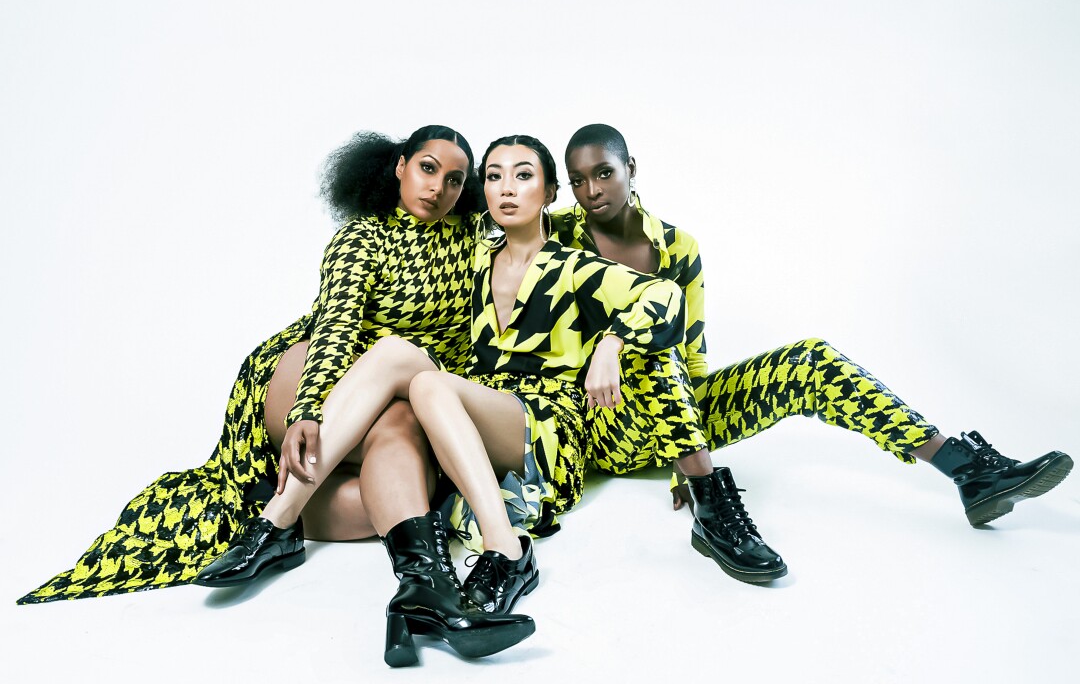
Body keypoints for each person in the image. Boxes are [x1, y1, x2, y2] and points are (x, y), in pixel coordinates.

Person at [551, 123, 1074, 581]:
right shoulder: (561, 239)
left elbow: (691, 357)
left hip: (668, 418)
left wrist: (678, 456)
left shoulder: (677, 246)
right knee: (651, 343)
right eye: (577, 181)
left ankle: (965, 469)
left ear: (630, 168)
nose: (591, 190)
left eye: (602, 173)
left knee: (810, 359)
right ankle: (713, 515)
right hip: (602, 426)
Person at [20, 125, 480, 604]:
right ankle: (288, 525)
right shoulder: (361, 237)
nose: (438, 187)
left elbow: (535, 220)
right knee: (390, 412)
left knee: (394, 497)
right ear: (401, 166)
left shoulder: (469, 236)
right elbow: (336, 329)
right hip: (320, 369)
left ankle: (288, 522)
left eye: (454, 180)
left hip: (400, 394)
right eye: (428, 168)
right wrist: (307, 408)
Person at [404, 134, 687, 616]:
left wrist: (612, 344)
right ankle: (282, 521)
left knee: (425, 383)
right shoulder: (475, 261)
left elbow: (666, 296)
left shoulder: (572, 266)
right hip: (480, 411)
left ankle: (509, 555)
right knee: (397, 361)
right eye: (494, 177)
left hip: (546, 428)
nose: (506, 189)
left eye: (523, 175)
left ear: (550, 192)